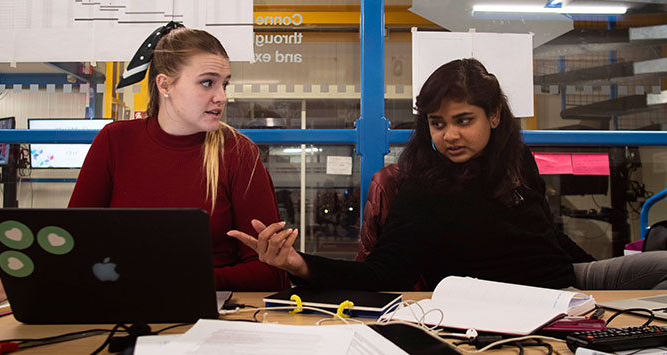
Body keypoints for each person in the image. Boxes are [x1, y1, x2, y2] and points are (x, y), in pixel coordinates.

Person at [229, 58, 667, 291]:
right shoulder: (424, 187)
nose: (449, 135)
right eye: (437, 123)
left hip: (567, 283)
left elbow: (544, 235)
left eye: (463, 120)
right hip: (515, 310)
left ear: (494, 115)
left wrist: (602, 283)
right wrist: (299, 263)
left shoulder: (516, 159)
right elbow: (383, 274)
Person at [0, 23, 289, 307]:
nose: (221, 97)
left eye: (224, 84)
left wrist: (188, 280)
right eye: (207, 83)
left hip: (209, 313)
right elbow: (71, 245)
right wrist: (15, 284)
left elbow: (271, 270)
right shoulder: (114, 141)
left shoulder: (238, 153)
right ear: (164, 85)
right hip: (117, 306)